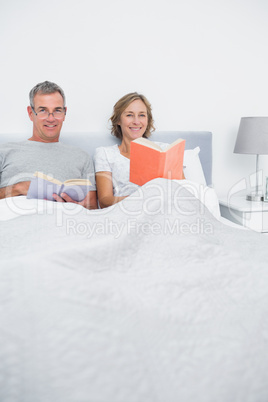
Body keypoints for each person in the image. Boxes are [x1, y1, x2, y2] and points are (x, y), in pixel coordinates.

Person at [0, 81, 97, 209]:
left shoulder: (82, 157)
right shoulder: (5, 151)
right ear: (30, 113)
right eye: (43, 110)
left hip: (61, 221)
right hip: (15, 221)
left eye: (57, 110)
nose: (51, 118)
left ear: (64, 113)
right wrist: (18, 188)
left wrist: (76, 207)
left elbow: (93, 208)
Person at [94, 92, 169, 208]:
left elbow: (182, 190)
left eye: (142, 115)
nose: (136, 121)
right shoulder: (105, 154)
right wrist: (143, 199)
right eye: (129, 115)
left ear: (147, 120)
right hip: (126, 215)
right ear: (118, 120)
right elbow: (105, 201)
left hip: (162, 212)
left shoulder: (164, 149)